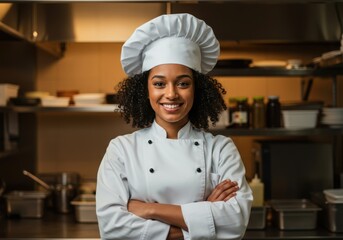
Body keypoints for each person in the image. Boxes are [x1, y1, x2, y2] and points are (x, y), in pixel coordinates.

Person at [96, 13, 252, 240]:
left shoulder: (220, 149)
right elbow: (111, 227)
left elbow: (235, 221)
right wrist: (202, 218)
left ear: (197, 89)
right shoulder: (121, 150)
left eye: (183, 83)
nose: (171, 94)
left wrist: (150, 209)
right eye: (159, 83)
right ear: (145, 90)